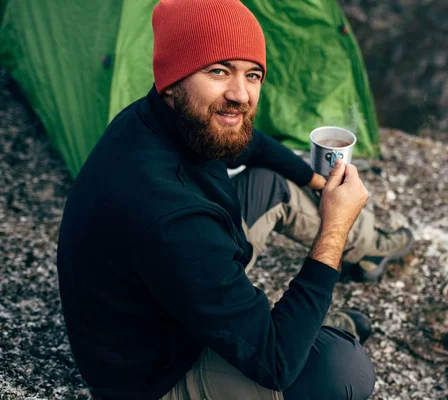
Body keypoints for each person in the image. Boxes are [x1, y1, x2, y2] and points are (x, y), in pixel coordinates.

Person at [56, 0, 413, 398]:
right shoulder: (171, 214)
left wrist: (315, 180)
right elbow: (275, 363)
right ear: (172, 79)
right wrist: (335, 227)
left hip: (175, 293)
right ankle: (318, 322)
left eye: (253, 74)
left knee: (270, 183)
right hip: (152, 375)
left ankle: (367, 250)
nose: (241, 94)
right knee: (342, 370)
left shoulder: (165, 116)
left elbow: (252, 144)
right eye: (218, 71)